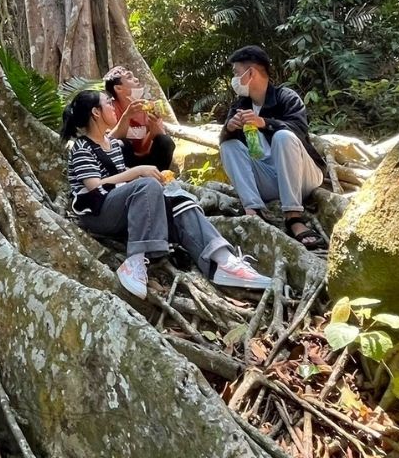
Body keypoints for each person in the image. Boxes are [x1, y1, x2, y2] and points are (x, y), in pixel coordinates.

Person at [62, 89, 270, 299]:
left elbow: (128, 177)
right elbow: (94, 186)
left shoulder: (114, 144)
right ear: (96, 113)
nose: (113, 107)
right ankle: (135, 261)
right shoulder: (82, 148)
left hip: (124, 209)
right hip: (98, 213)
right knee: (147, 185)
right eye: (108, 103)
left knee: (180, 202)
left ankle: (223, 261)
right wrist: (138, 172)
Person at [219, 45, 328, 250]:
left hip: (302, 176)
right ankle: (254, 212)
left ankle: (294, 218)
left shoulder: (286, 97)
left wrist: (264, 123)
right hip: (269, 180)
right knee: (229, 146)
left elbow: (298, 130)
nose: (234, 79)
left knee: (283, 137)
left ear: (250, 73)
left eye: (236, 73)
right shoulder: (240, 106)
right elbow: (228, 144)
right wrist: (230, 128)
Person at [103, 65, 176, 171]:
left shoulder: (150, 107)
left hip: (147, 160)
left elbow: (144, 147)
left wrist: (153, 129)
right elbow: (107, 142)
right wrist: (126, 117)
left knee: (165, 141)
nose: (136, 79)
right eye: (129, 77)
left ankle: (160, 178)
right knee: (120, 144)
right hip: (124, 164)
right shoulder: (111, 109)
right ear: (118, 88)